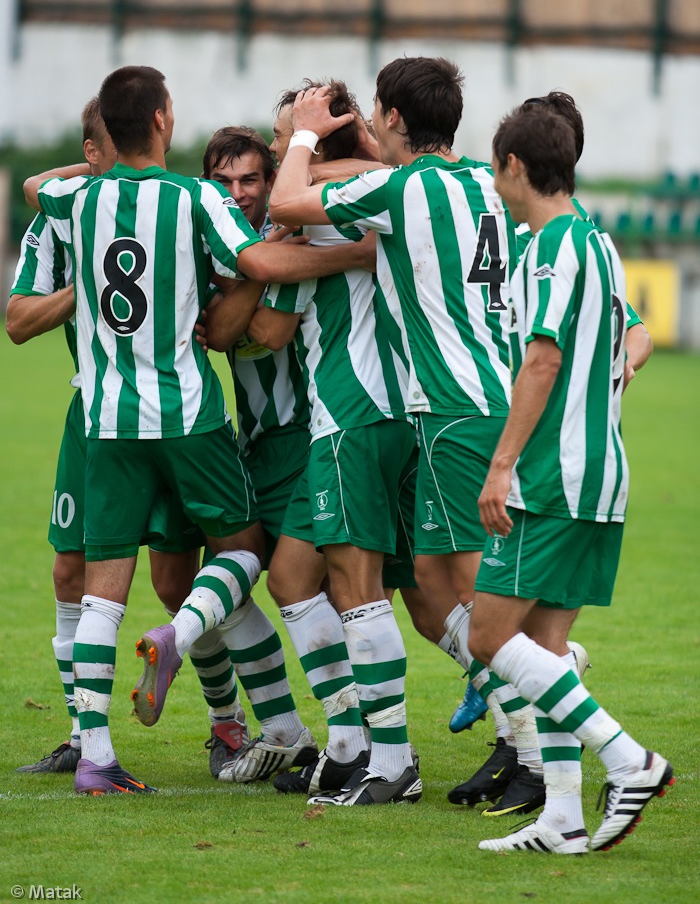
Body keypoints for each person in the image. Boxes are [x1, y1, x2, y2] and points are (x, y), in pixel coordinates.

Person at [24, 66, 367, 794]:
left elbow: (36, 190)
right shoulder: (192, 197)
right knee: (243, 557)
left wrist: (97, 158)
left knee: (101, 593)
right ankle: (194, 659)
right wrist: (357, 252)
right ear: (162, 120)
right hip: (187, 414)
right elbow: (253, 263)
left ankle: (96, 757)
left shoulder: (76, 197)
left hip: (106, 420)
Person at [267, 58, 517, 800]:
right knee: (432, 590)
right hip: (454, 409)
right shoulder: (480, 182)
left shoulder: (393, 191)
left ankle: (410, 755)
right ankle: (385, 745)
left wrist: (306, 141)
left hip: (395, 412)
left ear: (395, 119)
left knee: (401, 588)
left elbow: (286, 205)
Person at [204, 82, 421, 805]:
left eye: (279, 141)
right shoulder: (383, 191)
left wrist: (283, 244)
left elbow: (263, 332)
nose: (271, 155)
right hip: (387, 413)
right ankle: (354, 742)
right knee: (306, 580)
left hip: (348, 416)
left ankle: (390, 756)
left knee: (370, 592)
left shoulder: (318, 216)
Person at [470, 105, 672, 854]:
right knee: (547, 650)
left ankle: (628, 759)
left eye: (496, 169)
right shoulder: (596, 241)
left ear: (517, 166)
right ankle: (563, 816)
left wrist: (501, 466)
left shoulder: (555, 248)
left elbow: (544, 357)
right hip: (599, 473)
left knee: (492, 636)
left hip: (553, 476)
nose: (494, 184)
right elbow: (636, 337)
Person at [8, 99, 201, 775]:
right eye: (100, 154)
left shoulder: (162, 207)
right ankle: (80, 733)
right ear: (91, 156)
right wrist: (81, 289)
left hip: (167, 411)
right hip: (91, 415)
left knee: (178, 579)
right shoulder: (61, 222)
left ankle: (229, 722)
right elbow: (18, 321)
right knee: (70, 570)